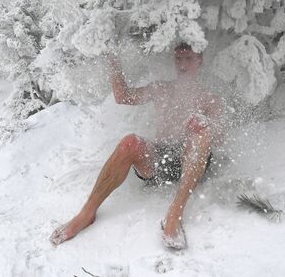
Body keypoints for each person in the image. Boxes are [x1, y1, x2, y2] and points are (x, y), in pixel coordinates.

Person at [49, 43, 223, 250]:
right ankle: (86, 213)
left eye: (189, 58)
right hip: (161, 160)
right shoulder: (161, 89)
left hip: (192, 163)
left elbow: (218, 136)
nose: (182, 64)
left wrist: (205, 122)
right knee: (130, 141)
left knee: (202, 134)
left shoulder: (210, 98)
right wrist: (113, 60)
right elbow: (123, 96)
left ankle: (174, 215)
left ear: (200, 61)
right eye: (178, 59)